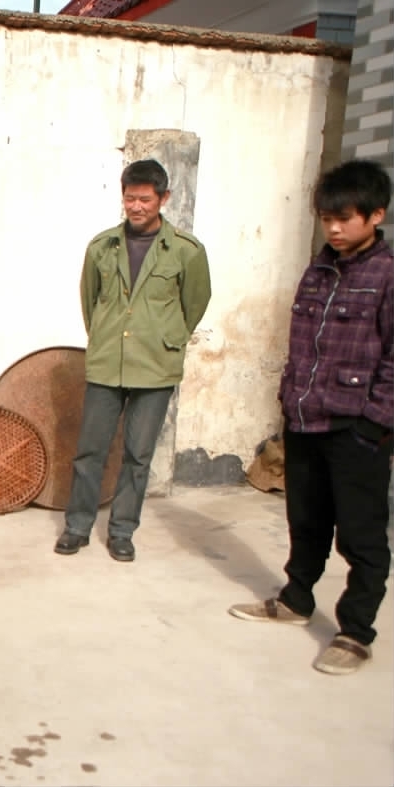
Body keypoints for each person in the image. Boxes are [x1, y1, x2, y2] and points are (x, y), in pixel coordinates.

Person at [229, 159, 392, 676]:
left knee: (361, 535)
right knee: (307, 520)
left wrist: (374, 422)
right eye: (327, 219)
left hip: (356, 428)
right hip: (304, 419)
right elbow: (300, 344)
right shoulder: (317, 268)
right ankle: (297, 601)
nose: (335, 228)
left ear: (376, 215)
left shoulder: (386, 276)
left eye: (345, 218)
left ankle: (355, 632)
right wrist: (287, 398)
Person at [54, 158, 212, 562]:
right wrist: (107, 339)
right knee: (90, 450)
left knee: (138, 455)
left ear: (164, 199)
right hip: (107, 364)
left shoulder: (186, 252)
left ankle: (122, 531)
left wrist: (168, 338)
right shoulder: (101, 246)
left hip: (155, 367)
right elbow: (90, 301)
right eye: (130, 198)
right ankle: (77, 527)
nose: (137, 206)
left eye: (145, 199)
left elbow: (195, 303)